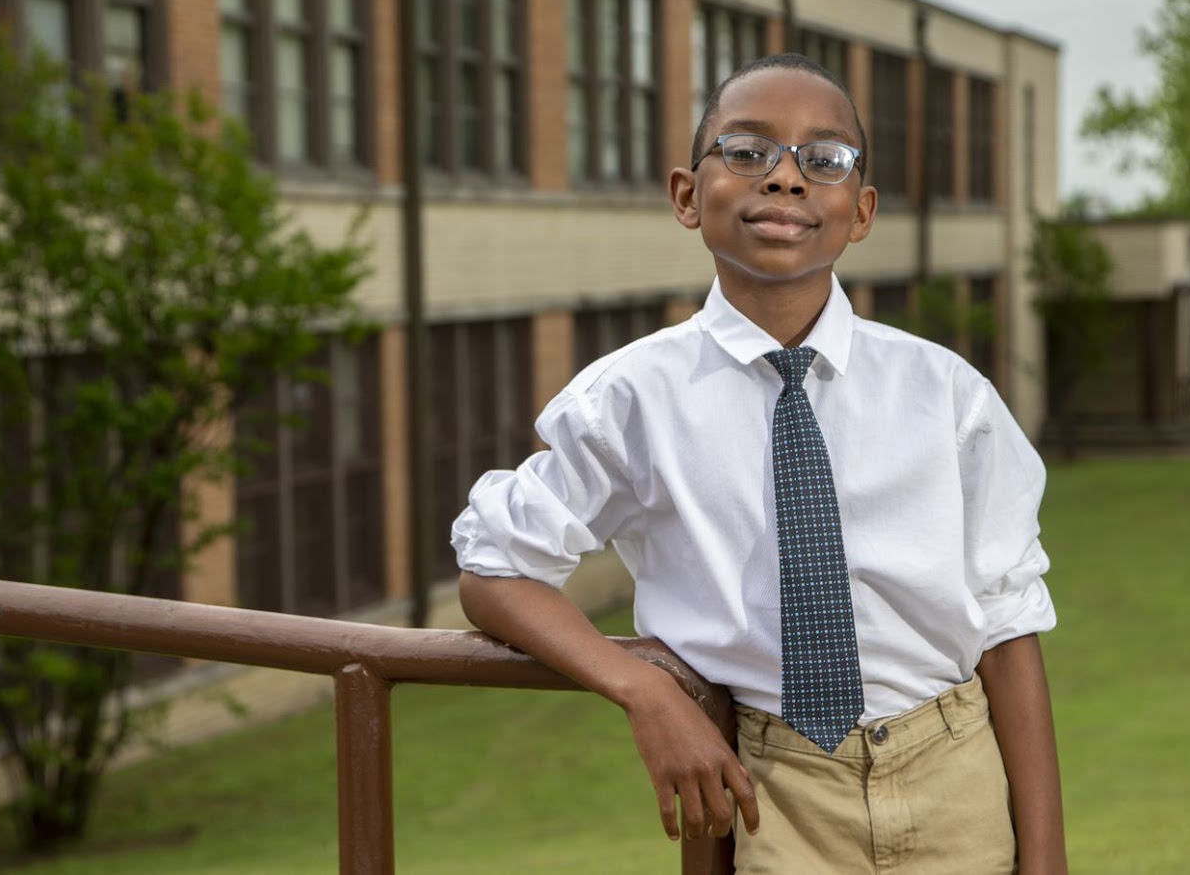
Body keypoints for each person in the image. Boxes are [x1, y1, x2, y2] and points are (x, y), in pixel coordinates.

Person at [451, 52, 1067, 874]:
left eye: (825, 159)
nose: (785, 179)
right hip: (774, 789)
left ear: (862, 210)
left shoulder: (947, 394)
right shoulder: (630, 400)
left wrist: (1047, 857)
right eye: (747, 151)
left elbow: (1006, 619)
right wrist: (642, 689)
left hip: (955, 768)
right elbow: (494, 569)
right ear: (685, 194)